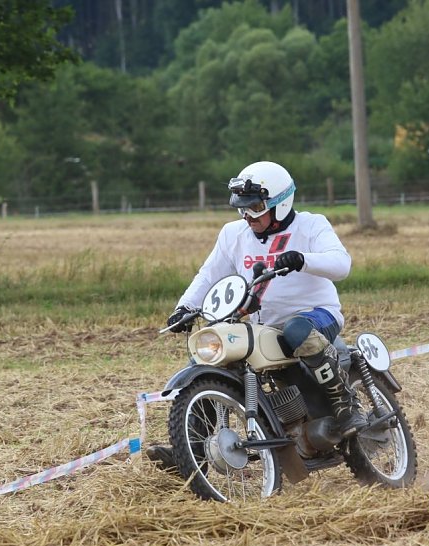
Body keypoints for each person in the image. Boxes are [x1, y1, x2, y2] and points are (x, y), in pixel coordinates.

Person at [146, 160, 365, 468]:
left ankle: (345, 405)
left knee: (295, 330)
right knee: (210, 357)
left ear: (280, 202)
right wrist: (183, 307)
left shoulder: (311, 224)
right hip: (262, 327)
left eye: (256, 208)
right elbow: (208, 275)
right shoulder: (232, 234)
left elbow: (341, 264)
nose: (248, 216)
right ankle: (190, 454)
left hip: (316, 316)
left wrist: (303, 259)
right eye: (243, 208)